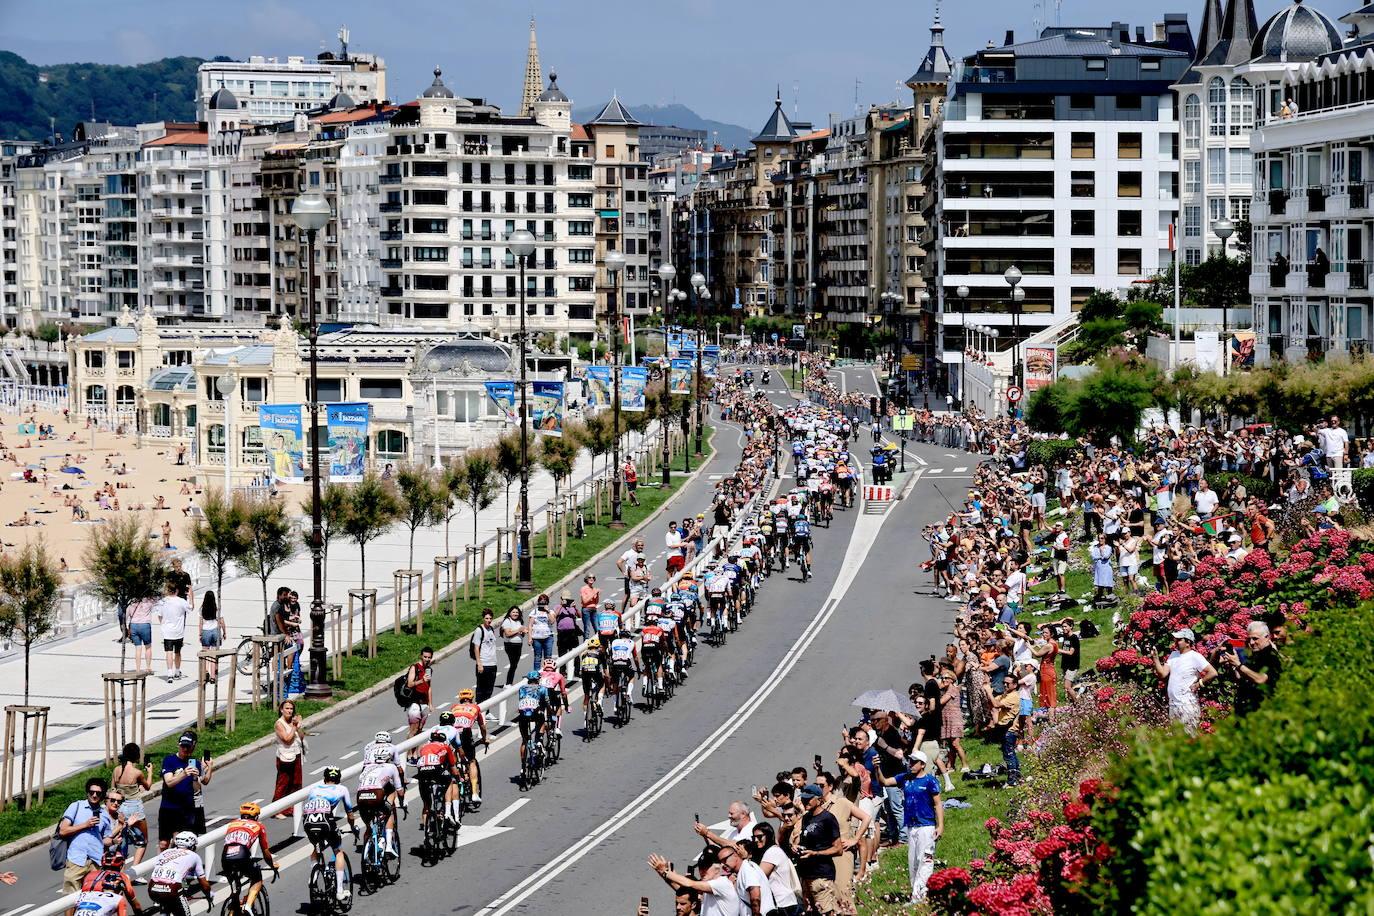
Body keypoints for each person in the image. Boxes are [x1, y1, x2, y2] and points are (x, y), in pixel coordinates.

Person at [875, 752, 944, 905]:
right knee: (913, 862)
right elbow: (884, 782)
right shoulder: (905, 777)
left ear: (922, 764)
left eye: (914, 762)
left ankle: (919, 896)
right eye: (910, 761)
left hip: (926, 826)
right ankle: (916, 893)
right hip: (911, 827)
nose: (910, 764)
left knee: (924, 860)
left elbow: (938, 804)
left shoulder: (930, 781)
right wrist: (877, 768)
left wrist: (940, 825)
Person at [58, 777, 114, 913]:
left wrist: (113, 841)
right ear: (87, 792)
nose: (94, 795)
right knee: (70, 899)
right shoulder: (76, 806)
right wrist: (85, 825)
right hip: (76, 859)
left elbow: (105, 839)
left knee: (93, 899)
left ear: (102, 796)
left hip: (96, 861)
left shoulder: (104, 814)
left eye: (98, 793)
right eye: (91, 792)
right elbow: (63, 830)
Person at [301, 767, 357, 903]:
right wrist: (352, 827)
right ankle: (339, 890)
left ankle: (314, 872)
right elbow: (350, 812)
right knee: (338, 851)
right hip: (326, 822)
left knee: (316, 848)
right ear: (338, 779)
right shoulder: (341, 789)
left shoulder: (314, 789)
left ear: (324, 778)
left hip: (309, 823)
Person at [1150, 627, 1218, 732]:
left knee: (1189, 739)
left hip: (1187, 705)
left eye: (1179, 639)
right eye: (1176, 639)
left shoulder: (1195, 656)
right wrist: (1155, 658)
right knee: (1177, 739)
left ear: (1188, 642)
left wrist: (1199, 684)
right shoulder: (1173, 655)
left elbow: (1212, 672)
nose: (1176, 642)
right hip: (1173, 705)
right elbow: (1163, 674)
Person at [793, 783, 842, 916]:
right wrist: (797, 846)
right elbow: (806, 841)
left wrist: (815, 853)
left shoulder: (828, 818)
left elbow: (838, 849)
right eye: (803, 798)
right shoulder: (806, 818)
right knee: (810, 912)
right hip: (806, 875)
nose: (804, 801)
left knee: (826, 912)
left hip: (822, 875)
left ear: (819, 799)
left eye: (808, 799)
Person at [220, 802, 278, 912]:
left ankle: (234, 909)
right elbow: (266, 852)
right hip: (242, 855)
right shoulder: (259, 826)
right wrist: (272, 865)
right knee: (256, 878)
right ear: (256, 816)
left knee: (235, 888)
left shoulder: (232, 824)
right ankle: (248, 906)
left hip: (225, 857)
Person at [157, 734, 209, 850]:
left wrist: (195, 778)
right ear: (178, 745)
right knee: (163, 843)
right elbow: (169, 782)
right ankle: (161, 864)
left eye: (188, 747)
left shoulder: (195, 763)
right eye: (183, 746)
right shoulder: (169, 760)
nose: (185, 749)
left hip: (186, 809)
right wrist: (184, 774)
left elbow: (197, 788)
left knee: (180, 841)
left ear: (192, 747)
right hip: (168, 807)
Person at [1221, 620, 1283, 715]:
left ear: (1267, 637)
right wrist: (1234, 663)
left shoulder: (1271, 656)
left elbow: (1260, 679)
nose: (1251, 642)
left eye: (1255, 639)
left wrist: (1238, 665)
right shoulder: (1255, 655)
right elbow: (1241, 677)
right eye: (1249, 639)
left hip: (1262, 711)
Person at [648, 853, 740, 916]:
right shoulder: (709, 888)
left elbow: (689, 884)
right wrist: (664, 875)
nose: (702, 871)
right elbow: (684, 892)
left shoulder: (721, 884)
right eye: (700, 867)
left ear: (718, 867)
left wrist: (666, 872)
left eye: (706, 867)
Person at [144, 832, 211, 916]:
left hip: (153, 888)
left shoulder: (165, 852)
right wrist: (209, 894)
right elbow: (203, 883)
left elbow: (182, 877)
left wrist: (184, 888)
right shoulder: (194, 856)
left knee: (166, 905)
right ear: (192, 845)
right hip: (172, 889)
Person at [110, 743, 153, 867]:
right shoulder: (137, 772)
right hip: (135, 808)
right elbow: (148, 786)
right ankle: (135, 869)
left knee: (121, 841)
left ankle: (121, 870)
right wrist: (150, 772)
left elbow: (113, 788)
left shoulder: (116, 770)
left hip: (121, 808)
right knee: (142, 841)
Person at [750, 822, 803, 916]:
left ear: (769, 835)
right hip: (783, 903)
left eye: (759, 837)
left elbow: (758, 877)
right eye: (753, 837)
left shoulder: (772, 852)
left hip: (783, 905)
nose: (756, 840)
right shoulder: (771, 851)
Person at [271, 700, 303, 817]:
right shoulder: (279, 724)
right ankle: (276, 809)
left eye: (291, 709)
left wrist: (299, 726)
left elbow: (301, 737)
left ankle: (290, 808)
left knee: (296, 783)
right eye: (287, 708)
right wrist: (294, 727)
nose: (289, 711)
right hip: (285, 757)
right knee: (283, 783)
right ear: (281, 710)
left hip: (296, 754)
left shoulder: (292, 722)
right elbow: (287, 739)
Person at [154, 581, 191, 682]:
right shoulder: (181, 601)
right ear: (177, 591)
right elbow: (190, 608)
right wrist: (191, 596)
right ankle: (177, 671)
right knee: (178, 652)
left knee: (169, 652)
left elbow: (159, 615)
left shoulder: (162, 602)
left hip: (167, 631)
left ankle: (169, 673)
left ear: (167, 590)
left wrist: (163, 625)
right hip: (179, 631)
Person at [404, 646, 435, 738]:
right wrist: (422, 680)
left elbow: (429, 687)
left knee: (420, 728)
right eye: (425, 657)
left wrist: (430, 704)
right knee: (414, 728)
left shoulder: (429, 670)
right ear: (421, 656)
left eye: (429, 657)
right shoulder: (415, 667)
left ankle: (414, 752)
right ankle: (410, 752)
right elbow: (409, 684)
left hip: (424, 702)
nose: (427, 659)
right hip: (414, 701)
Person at [472, 609, 499, 703]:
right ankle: (479, 710)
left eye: (490, 618)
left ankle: (486, 712)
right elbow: (476, 648)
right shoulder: (479, 630)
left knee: (489, 689)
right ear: (483, 618)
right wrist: (479, 663)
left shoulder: (491, 629)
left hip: (493, 663)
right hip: (484, 663)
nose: (489, 620)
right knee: (481, 689)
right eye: (486, 618)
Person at [197, 591, 225, 682]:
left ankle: (205, 673)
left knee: (205, 654)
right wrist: (224, 632)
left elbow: (200, 623)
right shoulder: (217, 609)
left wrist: (200, 634)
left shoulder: (202, 609)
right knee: (213, 655)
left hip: (205, 631)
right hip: (215, 631)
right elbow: (222, 622)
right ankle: (213, 676)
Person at [500, 606, 527, 686]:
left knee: (515, 664)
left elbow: (521, 633)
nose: (515, 614)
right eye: (513, 612)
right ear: (510, 613)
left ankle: (509, 682)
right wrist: (519, 630)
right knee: (513, 664)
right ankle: (508, 683)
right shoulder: (507, 621)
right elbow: (508, 634)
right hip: (510, 645)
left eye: (517, 612)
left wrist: (523, 632)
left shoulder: (519, 621)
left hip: (519, 644)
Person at [528, 594, 556, 670]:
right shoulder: (534, 612)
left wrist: (547, 611)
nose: (542, 604)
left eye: (544, 602)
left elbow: (552, 621)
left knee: (548, 657)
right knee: (537, 657)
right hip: (536, 638)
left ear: (547, 602)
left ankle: (547, 673)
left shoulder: (551, 612)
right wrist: (530, 638)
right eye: (541, 602)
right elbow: (530, 625)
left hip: (548, 637)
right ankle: (536, 674)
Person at [126, 596, 154, 671]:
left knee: (138, 648)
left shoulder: (130, 604)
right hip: (145, 625)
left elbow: (125, 617)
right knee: (148, 647)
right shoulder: (148, 603)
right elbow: (153, 607)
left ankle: (138, 669)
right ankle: (148, 667)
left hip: (134, 625)